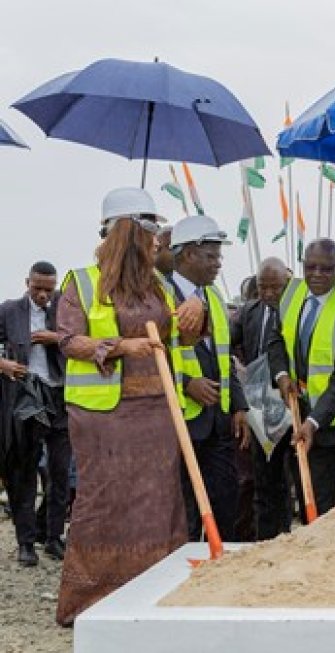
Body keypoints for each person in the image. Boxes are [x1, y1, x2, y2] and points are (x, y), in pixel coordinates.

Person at [55, 187, 203, 625]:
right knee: (103, 504)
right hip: (104, 416)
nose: (158, 238)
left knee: (160, 503)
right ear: (127, 230)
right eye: (151, 227)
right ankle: (92, 601)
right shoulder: (80, 281)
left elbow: (184, 337)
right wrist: (119, 345)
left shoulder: (159, 286)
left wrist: (196, 308)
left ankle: (153, 596)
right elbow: (68, 340)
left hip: (157, 413)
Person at [269, 238, 335, 515]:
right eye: (311, 267)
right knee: (317, 500)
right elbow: (276, 340)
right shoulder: (291, 294)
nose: (317, 275)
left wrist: (315, 421)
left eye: (326, 269)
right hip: (304, 415)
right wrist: (282, 376)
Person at [169, 214, 249, 542]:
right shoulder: (159, 296)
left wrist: (239, 406)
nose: (218, 264)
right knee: (185, 508)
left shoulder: (213, 297)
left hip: (218, 422)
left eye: (219, 256)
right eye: (211, 256)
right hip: (181, 423)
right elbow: (152, 356)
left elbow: (223, 358)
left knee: (224, 503)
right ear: (188, 254)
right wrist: (186, 383)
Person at [0, 261, 71, 566]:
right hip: (26, 395)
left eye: (48, 289)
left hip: (60, 396)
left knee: (60, 472)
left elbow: (79, 340)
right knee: (24, 472)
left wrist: (54, 338)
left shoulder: (65, 310)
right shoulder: (9, 310)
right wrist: (3, 365)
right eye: (37, 288)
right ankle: (26, 542)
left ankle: (53, 538)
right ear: (27, 282)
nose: (43, 294)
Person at [230, 257, 302, 538]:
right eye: (263, 288)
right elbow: (225, 341)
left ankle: (291, 533)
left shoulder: (299, 310)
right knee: (265, 477)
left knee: (295, 474)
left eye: (276, 288)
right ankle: (267, 537)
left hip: (293, 403)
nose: (269, 294)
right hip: (260, 407)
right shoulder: (249, 312)